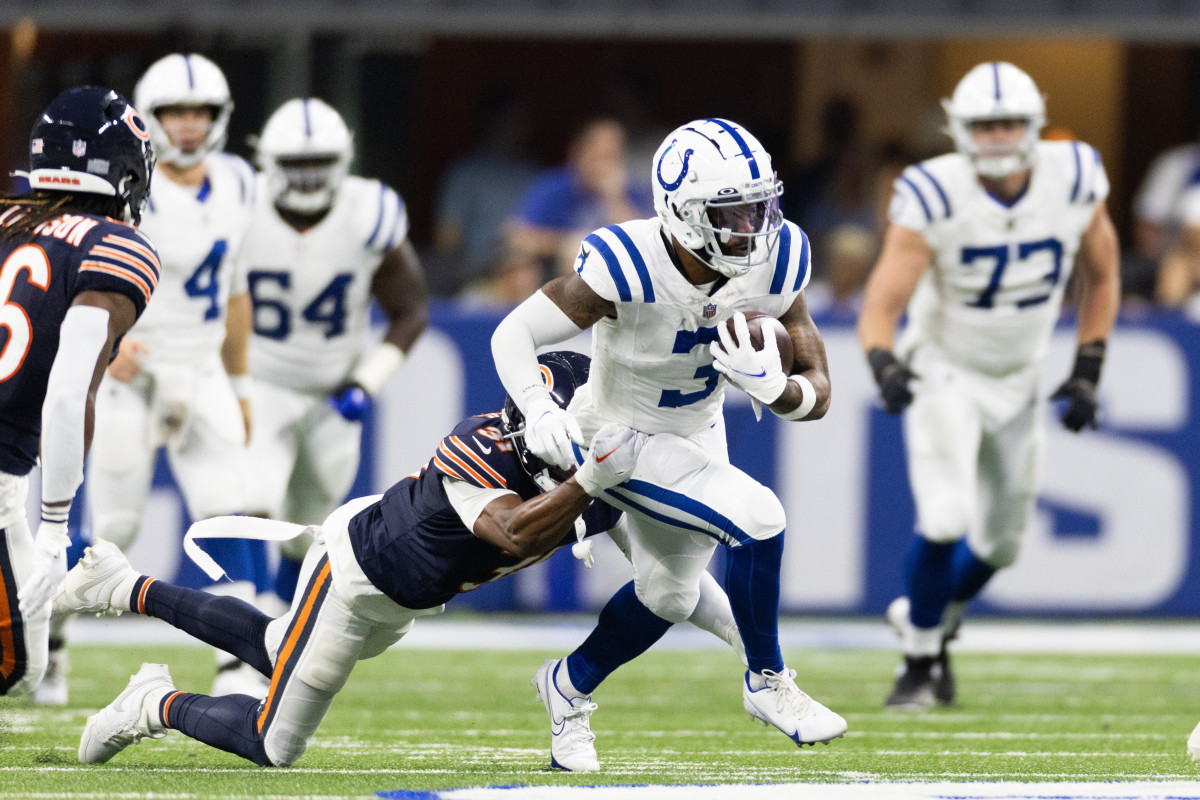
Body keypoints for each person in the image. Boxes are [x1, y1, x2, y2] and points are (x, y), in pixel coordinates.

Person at [61, 353, 733, 769]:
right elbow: (518, 534)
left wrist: (757, 650)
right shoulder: (479, 449)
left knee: (276, 645)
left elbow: (668, 581)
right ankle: (152, 703)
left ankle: (126, 585)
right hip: (354, 572)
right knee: (275, 743)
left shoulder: (602, 484)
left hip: (405, 597)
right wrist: (588, 483)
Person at [491, 117, 848, 771]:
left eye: (759, 206)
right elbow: (512, 333)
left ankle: (565, 687)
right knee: (761, 516)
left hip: (697, 426)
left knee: (669, 595)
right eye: (733, 213)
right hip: (620, 432)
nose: (753, 228)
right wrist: (540, 410)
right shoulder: (627, 263)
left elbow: (819, 389)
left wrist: (778, 391)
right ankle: (769, 681)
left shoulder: (780, 254)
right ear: (683, 215)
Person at [856, 61, 1121, 711]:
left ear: (1034, 126)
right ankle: (918, 662)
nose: (998, 137)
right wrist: (884, 362)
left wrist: (1088, 365)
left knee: (1002, 543)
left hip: (1021, 373)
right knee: (946, 515)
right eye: (984, 125)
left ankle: (929, 617)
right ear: (958, 128)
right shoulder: (935, 191)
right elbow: (882, 298)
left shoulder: (1075, 176)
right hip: (946, 366)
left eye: (1009, 124)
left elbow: (1104, 275)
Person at [83, 53, 264, 700]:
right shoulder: (121, 177)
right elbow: (86, 269)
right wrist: (108, 345)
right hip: (133, 365)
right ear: (149, 117)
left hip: (203, 362)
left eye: (201, 112)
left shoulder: (242, 180)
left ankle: (238, 658)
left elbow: (237, 288)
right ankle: (43, 640)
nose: (188, 125)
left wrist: (240, 384)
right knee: (116, 527)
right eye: (174, 112)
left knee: (224, 508)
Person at [237, 97, 428, 610]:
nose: (307, 176)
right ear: (269, 163)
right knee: (254, 500)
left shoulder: (370, 213)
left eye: (318, 163)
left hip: (333, 390)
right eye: (296, 164)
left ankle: (280, 621)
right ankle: (250, 623)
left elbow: (411, 310)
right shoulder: (238, 206)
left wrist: (368, 380)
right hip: (263, 380)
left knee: (310, 524)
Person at [0, 85, 157, 696]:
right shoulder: (114, 246)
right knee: (16, 666)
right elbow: (68, 391)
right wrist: (57, 526)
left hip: (7, 465)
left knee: (25, 663)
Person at [505, 116, 653, 280]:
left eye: (611, 157)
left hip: (616, 278)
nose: (603, 166)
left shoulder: (631, 191)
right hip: (555, 279)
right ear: (578, 153)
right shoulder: (555, 186)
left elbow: (644, 246)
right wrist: (567, 243)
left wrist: (614, 198)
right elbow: (516, 237)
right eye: (597, 156)